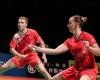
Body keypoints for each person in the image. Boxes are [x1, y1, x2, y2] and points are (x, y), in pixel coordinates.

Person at [28, 15, 99, 80]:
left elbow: (99, 52)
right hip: (75, 69)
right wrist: (38, 48)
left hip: (89, 69)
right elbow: (55, 51)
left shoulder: (87, 36)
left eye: (70, 23)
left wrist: (89, 47)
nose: (68, 25)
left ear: (77, 24)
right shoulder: (70, 41)